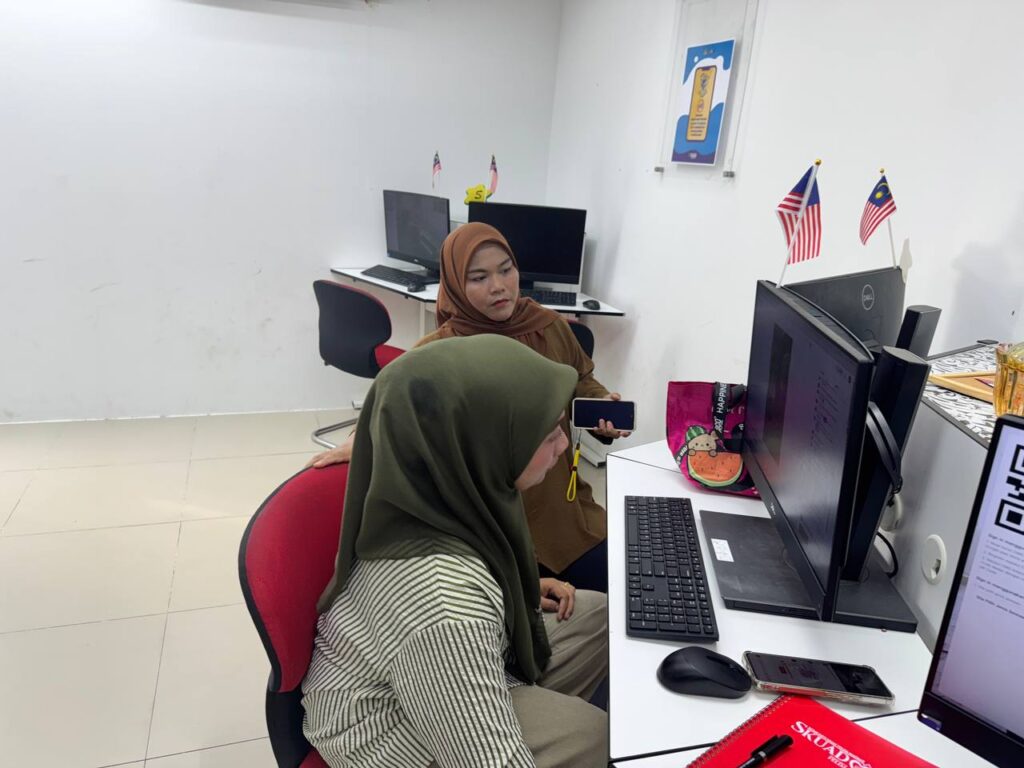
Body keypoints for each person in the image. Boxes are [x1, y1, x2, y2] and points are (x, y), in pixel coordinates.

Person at [302, 334, 609, 768]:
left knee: (595, 615)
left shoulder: (436, 494)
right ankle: (495, 715)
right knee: (591, 733)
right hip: (386, 735)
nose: (562, 448)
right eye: (546, 436)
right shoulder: (445, 606)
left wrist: (512, 588)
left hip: (422, 663)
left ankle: (496, 704)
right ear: (482, 445)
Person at [308, 222, 629, 592]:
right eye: (479, 278)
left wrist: (600, 403)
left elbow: (581, 378)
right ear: (456, 285)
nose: (499, 286)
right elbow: (392, 402)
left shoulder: (549, 326)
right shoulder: (441, 350)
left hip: (560, 508)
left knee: (629, 587)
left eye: (506, 270)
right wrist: (359, 439)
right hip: (486, 524)